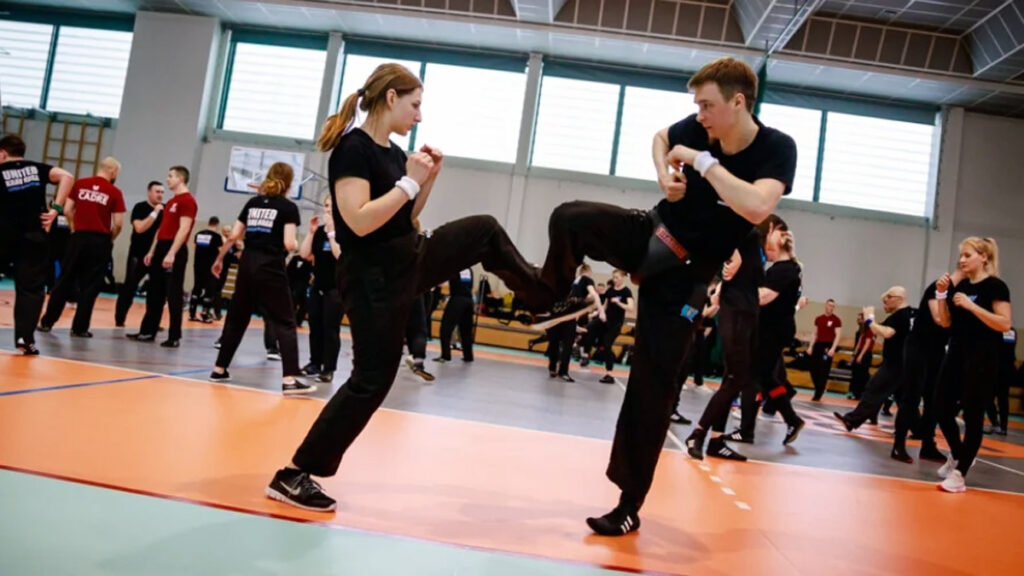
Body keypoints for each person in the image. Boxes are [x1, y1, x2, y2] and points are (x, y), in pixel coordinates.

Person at [267, 63, 570, 514]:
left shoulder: (394, 152)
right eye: (415, 104)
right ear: (391, 98)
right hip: (372, 276)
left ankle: (544, 302)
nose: (420, 116)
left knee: (483, 230)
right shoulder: (353, 149)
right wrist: (409, 180)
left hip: (406, 257)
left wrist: (426, 180)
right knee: (372, 380)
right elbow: (359, 220)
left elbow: (405, 217)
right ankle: (294, 475)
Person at [209, 162, 312, 395]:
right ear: (289, 182)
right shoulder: (287, 208)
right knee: (285, 321)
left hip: (246, 264)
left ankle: (219, 368)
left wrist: (219, 259)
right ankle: (289, 379)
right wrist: (296, 246)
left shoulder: (252, 203)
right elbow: (288, 243)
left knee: (236, 318)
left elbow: (234, 235)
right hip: (270, 267)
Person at [935, 237, 1011, 493]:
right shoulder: (962, 286)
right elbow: (945, 322)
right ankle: (960, 454)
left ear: (984, 257)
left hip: (982, 358)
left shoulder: (996, 287)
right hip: (956, 354)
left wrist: (972, 306)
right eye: (961, 256)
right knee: (940, 408)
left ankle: (960, 474)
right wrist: (942, 295)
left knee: (973, 414)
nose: (962, 260)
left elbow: (1004, 324)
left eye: (967, 255)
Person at [684, 229, 761, 459]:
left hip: (745, 312)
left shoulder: (752, 242)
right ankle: (698, 433)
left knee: (732, 379)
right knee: (737, 378)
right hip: (736, 312)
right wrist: (733, 252)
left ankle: (716, 440)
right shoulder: (744, 231)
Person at [0, 134, 74, 354]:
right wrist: (56, 209)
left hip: (4, 236)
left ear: (3, 152)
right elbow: (67, 176)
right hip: (34, 237)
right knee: (31, 290)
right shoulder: (36, 168)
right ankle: (25, 338)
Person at [39, 157, 126, 337]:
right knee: (90, 286)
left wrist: (74, 228)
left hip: (78, 237)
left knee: (64, 280)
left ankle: (47, 322)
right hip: (100, 240)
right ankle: (79, 328)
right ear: (114, 171)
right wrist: (110, 238)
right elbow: (118, 223)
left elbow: (68, 209)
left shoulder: (80, 184)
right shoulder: (114, 192)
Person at [833, 288, 914, 446]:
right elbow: (877, 330)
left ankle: (851, 421)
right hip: (905, 364)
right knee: (904, 399)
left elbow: (886, 332)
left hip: (895, 364)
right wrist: (870, 323)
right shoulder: (908, 315)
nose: (885, 301)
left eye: (888, 298)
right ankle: (919, 430)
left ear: (899, 298)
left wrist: (870, 319)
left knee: (873, 388)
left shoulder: (900, 316)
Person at [128, 165, 198, 348]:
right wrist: (152, 251)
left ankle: (174, 336)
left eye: (171, 176)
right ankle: (147, 331)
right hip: (161, 247)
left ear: (180, 179)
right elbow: (161, 229)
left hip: (174, 249)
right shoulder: (171, 203)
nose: (167, 180)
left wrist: (172, 252)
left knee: (173, 294)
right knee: (154, 292)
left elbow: (184, 229)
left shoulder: (187, 201)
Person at [891, 281, 951, 463]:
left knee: (933, 399)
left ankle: (928, 445)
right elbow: (940, 319)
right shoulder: (940, 286)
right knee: (912, 396)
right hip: (919, 346)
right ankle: (898, 445)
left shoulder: (966, 292)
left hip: (938, 348)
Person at [300, 195, 343, 383]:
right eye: (326, 206)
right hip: (318, 286)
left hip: (335, 289)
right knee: (314, 326)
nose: (328, 210)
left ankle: (328, 368)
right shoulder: (318, 232)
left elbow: (340, 255)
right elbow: (304, 254)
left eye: (332, 207)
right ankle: (314, 363)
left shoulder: (343, 231)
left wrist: (332, 232)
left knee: (330, 329)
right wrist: (310, 232)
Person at [115, 181, 164, 327]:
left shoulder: (165, 209)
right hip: (137, 253)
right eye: (157, 191)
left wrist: (153, 251)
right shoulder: (140, 207)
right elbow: (140, 228)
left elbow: (160, 232)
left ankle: (152, 321)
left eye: (162, 192)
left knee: (156, 290)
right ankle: (120, 318)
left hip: (155, 255)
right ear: (149, 192)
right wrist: (155, 213)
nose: (160, 195)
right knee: (129, 286)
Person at [546, 264, 599, 382]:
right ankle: (559, 370)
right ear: (588, 271)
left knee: (559, 343)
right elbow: (592, 295)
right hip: (564, 315)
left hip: (561, 314)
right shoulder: (585, 279)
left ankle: (556, 369)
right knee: (563, 343)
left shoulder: (575, 281)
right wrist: (598, 306)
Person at [579, 270, 634, 384]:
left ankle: (609, 374)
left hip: (615, 324)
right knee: (589, 328)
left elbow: (630, 308)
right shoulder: (610, 290)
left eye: (617, 278)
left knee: (606, 345)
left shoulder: (626, 292)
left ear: (623, 278)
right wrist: (597, 314)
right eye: (613, 277)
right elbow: (604, 306)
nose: (615, 280)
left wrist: (618, 303)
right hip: (604, 320)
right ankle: (585, 354)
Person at [436, 267, 476, 363]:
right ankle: (468, 355)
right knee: (466, 330)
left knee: (445, 328)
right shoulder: (469, 270)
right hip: (469, 300)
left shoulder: (455, 268)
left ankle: (445, 355)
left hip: (457, 299)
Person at [189, 216, 223, 323]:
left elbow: (195, 248)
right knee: (210, 289)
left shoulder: (198, 234)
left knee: (197, 287)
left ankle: (192, 313)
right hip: (210, 266)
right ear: (217, 224)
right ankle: (205, 314)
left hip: (198, 264)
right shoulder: (217, 236)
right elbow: (221, 252)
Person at [810, 299, 842, 401]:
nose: (831, 307)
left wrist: (833, 348)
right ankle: (819, 388)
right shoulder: (819, 318)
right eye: (829, 305)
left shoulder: (836, 320)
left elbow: (838, 335)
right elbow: (815, 333)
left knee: (823, 370)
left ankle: (818, 394)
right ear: (826, 306)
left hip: (828, 346)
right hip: (818, 345)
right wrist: (811, 346)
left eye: (833, 306)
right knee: (813, 368)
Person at [986, 327, 1014, 436]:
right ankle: (995, 423)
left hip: (1004, 370)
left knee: (1002, 399)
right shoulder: (991, 330)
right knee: (988, 398)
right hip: (991, 369)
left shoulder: (1010, 332)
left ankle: (1003, 427)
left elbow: (1007, 350)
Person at [848, 312, 875, 400]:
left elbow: (867, 344)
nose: (859, 321)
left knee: (862, 375)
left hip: (866, 353)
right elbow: (859, 344)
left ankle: (862, 393)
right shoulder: (862, 331)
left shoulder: (870, 330)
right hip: (860, 352)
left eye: (861, 319)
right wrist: (854, 354)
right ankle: (856, 393)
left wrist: (861, 355)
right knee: (856, 374)